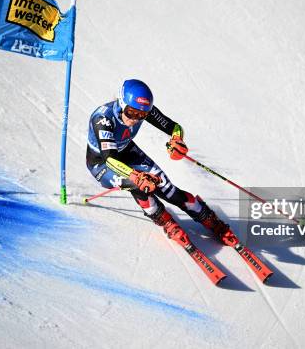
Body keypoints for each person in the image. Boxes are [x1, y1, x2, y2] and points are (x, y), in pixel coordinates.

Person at [86, 79, 237, 246]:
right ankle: (164, 220)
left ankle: (208, 218)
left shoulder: (143, 109)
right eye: (130, 112)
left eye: (141, 115)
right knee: (140, 186)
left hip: (127, 151)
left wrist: (177, 140)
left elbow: (174, 127)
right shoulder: (103, 119)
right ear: (122, 103)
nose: (135, 119)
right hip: (102, 165)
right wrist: (135, 175)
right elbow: (110, 158)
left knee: (168, 189)